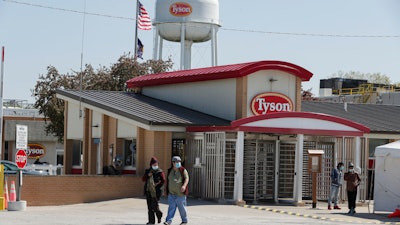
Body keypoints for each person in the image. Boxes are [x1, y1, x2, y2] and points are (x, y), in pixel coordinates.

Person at [164, 156, 189, 225]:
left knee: (182, 209)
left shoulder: (183, 170)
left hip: (180, 194)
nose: (178, 163)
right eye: (177, 162)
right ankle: (168, 221)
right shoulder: (169, 171)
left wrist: (184, 186)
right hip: (171, 194)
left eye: (179, 162)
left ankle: (184, 220)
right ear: (173, 163)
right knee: (171, 208)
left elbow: (187, 179)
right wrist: (165, 190)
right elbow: (167, 180)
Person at [142, 157, 166, 225]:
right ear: (151, 164)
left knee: (154, 206)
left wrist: (157, 183)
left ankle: (159, 214)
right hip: (148, 191)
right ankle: (151, 221)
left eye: (156, 164)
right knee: (149, 207)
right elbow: (143, 179)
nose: (155, 166)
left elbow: (163, 180)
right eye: (154, 164)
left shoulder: (160, 171)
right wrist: (147, 175)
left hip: (156, 192)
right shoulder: (148, 171)